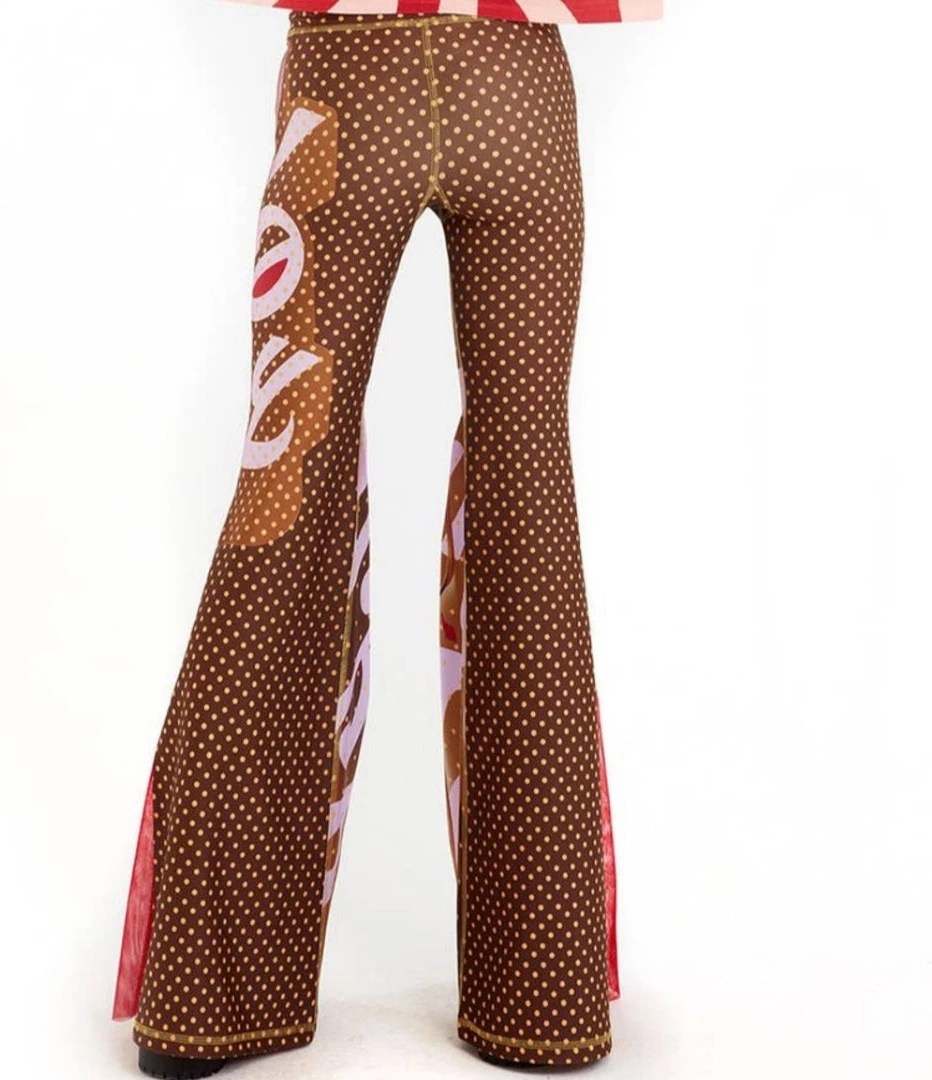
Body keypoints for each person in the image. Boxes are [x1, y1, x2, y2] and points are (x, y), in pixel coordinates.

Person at [110, 1, 661, 1076]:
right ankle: (541, 1004)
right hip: (517, 83)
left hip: (349, 79)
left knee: (289, 483)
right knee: (528, 487)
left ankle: (208, 1003)